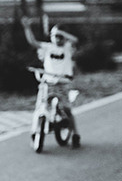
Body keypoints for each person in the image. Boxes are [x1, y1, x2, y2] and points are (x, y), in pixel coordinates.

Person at [23, 16, 82, 146]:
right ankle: (37, 129)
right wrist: (27, 27)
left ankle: (76, 134)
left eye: (60, 36)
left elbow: (75, 40)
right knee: (41, 105)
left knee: (67, 109)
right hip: (48, 82)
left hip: (63, 82)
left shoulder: (68, 48)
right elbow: (33, 42)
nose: (57, 39)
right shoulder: (48, 47)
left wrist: (62, 32)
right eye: (55, 36)